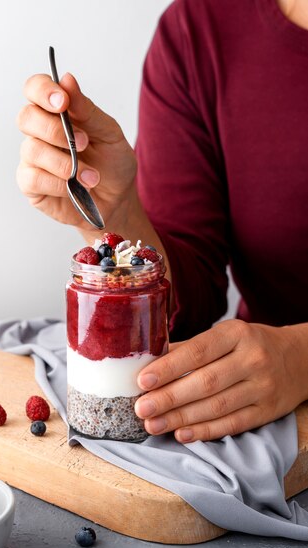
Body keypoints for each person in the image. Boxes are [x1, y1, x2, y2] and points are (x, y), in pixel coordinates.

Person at [16, 0, 308, 444]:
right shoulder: (198, 30)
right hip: (259, 415)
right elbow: (192, 295)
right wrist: (115, 214)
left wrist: (300, 358)